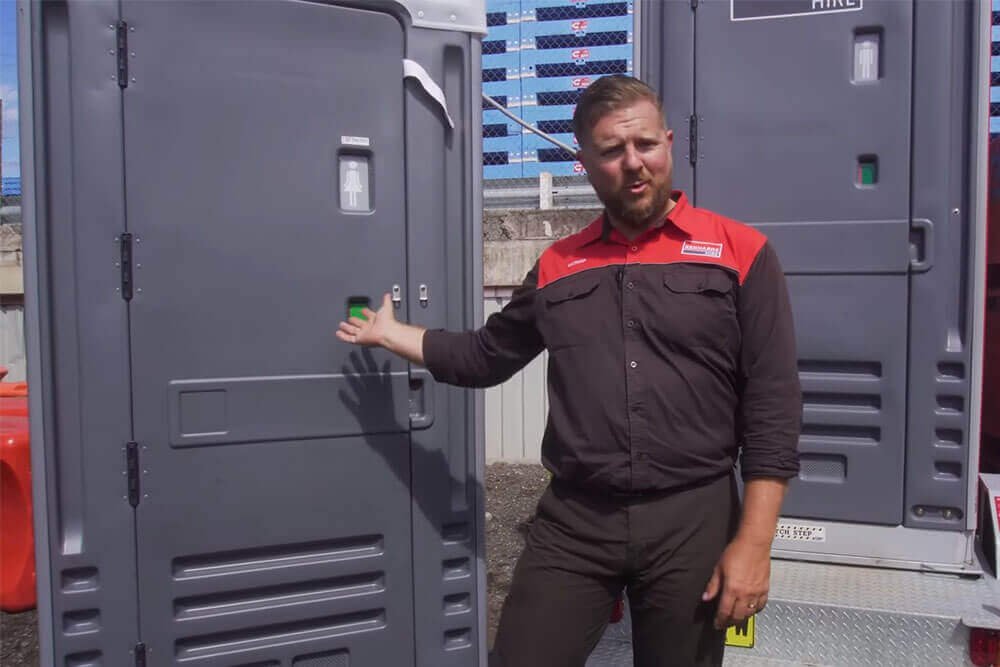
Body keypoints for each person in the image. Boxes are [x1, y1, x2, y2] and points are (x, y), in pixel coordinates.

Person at [336, 75, 801, 667]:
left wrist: (754, 544)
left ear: (668, 143)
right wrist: (392, 334)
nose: (634, 164)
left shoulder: (742, 253)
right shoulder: (560, 265)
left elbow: (773, 408)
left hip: (694, 516)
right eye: (612, 151)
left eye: (646, 145)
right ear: (585, 163)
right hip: (576, 521)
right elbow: (486, 355)